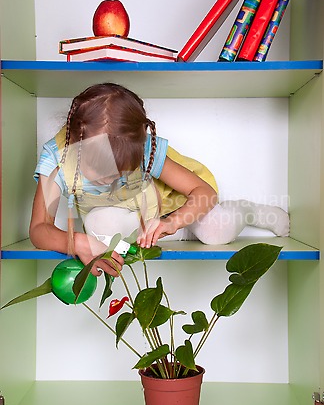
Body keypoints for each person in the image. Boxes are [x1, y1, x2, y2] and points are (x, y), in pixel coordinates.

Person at [30, 82, 289, 277]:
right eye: (99, 173)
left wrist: (174, 222)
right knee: (100, 227)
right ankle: (173, 233)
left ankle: (248, 211)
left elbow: (204, 193)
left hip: (170, 213)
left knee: (218, 229)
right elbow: (39, 228)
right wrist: (77, 242)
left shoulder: (142, 149)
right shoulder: (56, 158)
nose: (108, 180)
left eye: (119, 173)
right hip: (131, 222)